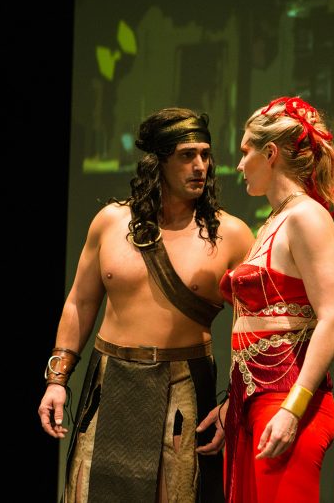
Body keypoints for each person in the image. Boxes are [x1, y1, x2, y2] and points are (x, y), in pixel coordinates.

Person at [38, 107, 255, 503]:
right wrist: (57, 379)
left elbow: (256, 327)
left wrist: (233, 405)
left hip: (182, 384)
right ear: (160, 161)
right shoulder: (110, 222)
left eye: (205, 155)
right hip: (109, 381)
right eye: (187, 155)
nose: (200, 166)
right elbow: (80, 302)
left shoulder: (232, 235)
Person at [195, 97, 334, 502]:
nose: (239, 165)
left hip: (285, 398)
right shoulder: (273, 222)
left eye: (246, 151)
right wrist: (233, 404)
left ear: (271, 154)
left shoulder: (307, 217)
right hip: (255, 400)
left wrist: (293, 409)